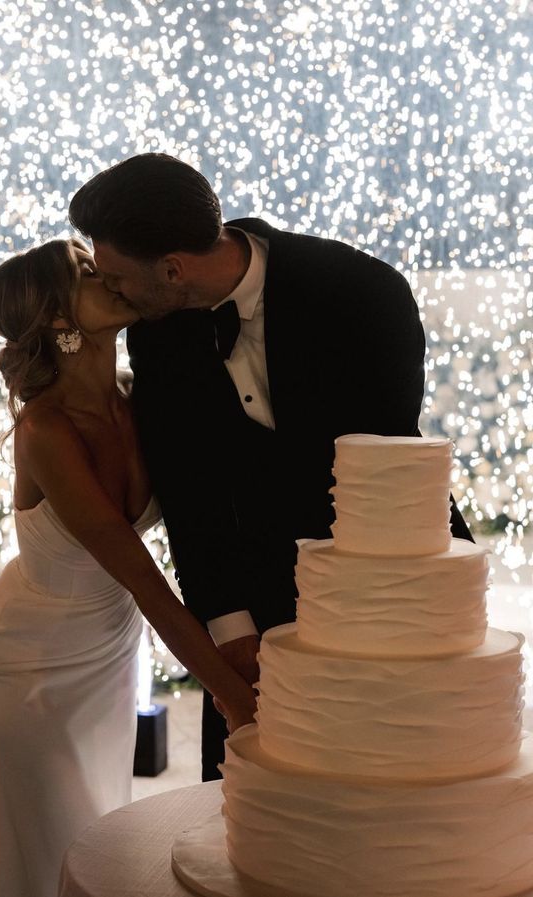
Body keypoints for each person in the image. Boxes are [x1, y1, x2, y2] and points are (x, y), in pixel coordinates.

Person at [68, 151, 474, 782]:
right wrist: (227, 619)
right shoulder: (156, 331)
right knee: (257, 809)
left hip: (391, 574)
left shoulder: (362, 290)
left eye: (116, 275)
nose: (110, 288)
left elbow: (385, 456)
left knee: (399, 794)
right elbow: (187, 482)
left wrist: (354, 607)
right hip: (250, 584)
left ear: (172, 269)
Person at [0, 237, 257, 897]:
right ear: (61, 319)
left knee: (98, 824)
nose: (110, 276)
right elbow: (142, 576)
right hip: (32, 661)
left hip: (108, 647)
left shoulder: (138, 398)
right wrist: (231, 692)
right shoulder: (46, 432)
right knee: (54, 838)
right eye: (88, 274)